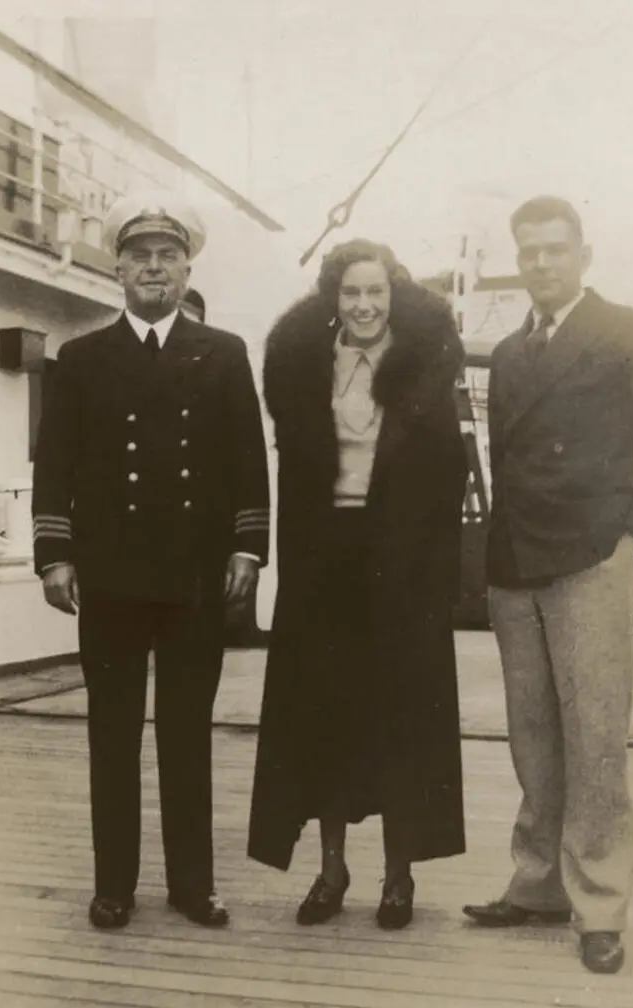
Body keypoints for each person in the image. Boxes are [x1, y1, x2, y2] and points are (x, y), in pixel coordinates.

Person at [463, 197, 633, 973]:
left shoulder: (628, 331)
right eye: (528, 251)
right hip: (514, 566)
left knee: (596, 739)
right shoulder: (506, 354)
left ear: (584, 255)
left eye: (555, 250)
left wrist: (631, 539)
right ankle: (537, 884)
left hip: (589, 558)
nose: (540, 264)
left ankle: (599, 905)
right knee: (534, 736)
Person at [32, 193, 270, 930]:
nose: (154, 268)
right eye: (140, 257)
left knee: (185, 732)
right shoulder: (80, 358)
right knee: (112, 732)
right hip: (109, 575)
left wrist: (246, 544)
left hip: (194, 576)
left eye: (167, 256)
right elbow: (55, 464)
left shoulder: (223, 353)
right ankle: (115, 886)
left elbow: (245, 458)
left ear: (187, 266)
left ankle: (192, 886)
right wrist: (54, 556)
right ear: (120, 270)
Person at [247, 239, 467, 929]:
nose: (364, 306)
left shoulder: (426, 367)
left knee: (399, 717)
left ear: (393, 296)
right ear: (332, 300)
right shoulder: (303, 366)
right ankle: (331, 869)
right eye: (351, 293)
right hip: (324, 565)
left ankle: (397, 877)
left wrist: (433, 575)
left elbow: (448, 480)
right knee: (327, 716)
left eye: (376, 293)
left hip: (399, 566)